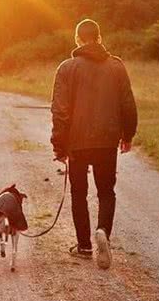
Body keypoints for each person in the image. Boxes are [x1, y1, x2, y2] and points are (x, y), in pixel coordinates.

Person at [50, 19, 138, 269]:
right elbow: (128, 104)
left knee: (79, 193)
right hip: (107, 140)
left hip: (76, 143)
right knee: (106, 191)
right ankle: (103, 233)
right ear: (99, 38)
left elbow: (60, 110)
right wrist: (128, 135)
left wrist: (59, 144)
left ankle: (85, 246)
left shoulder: (67, 68)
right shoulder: (117, 66)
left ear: (77, 39)